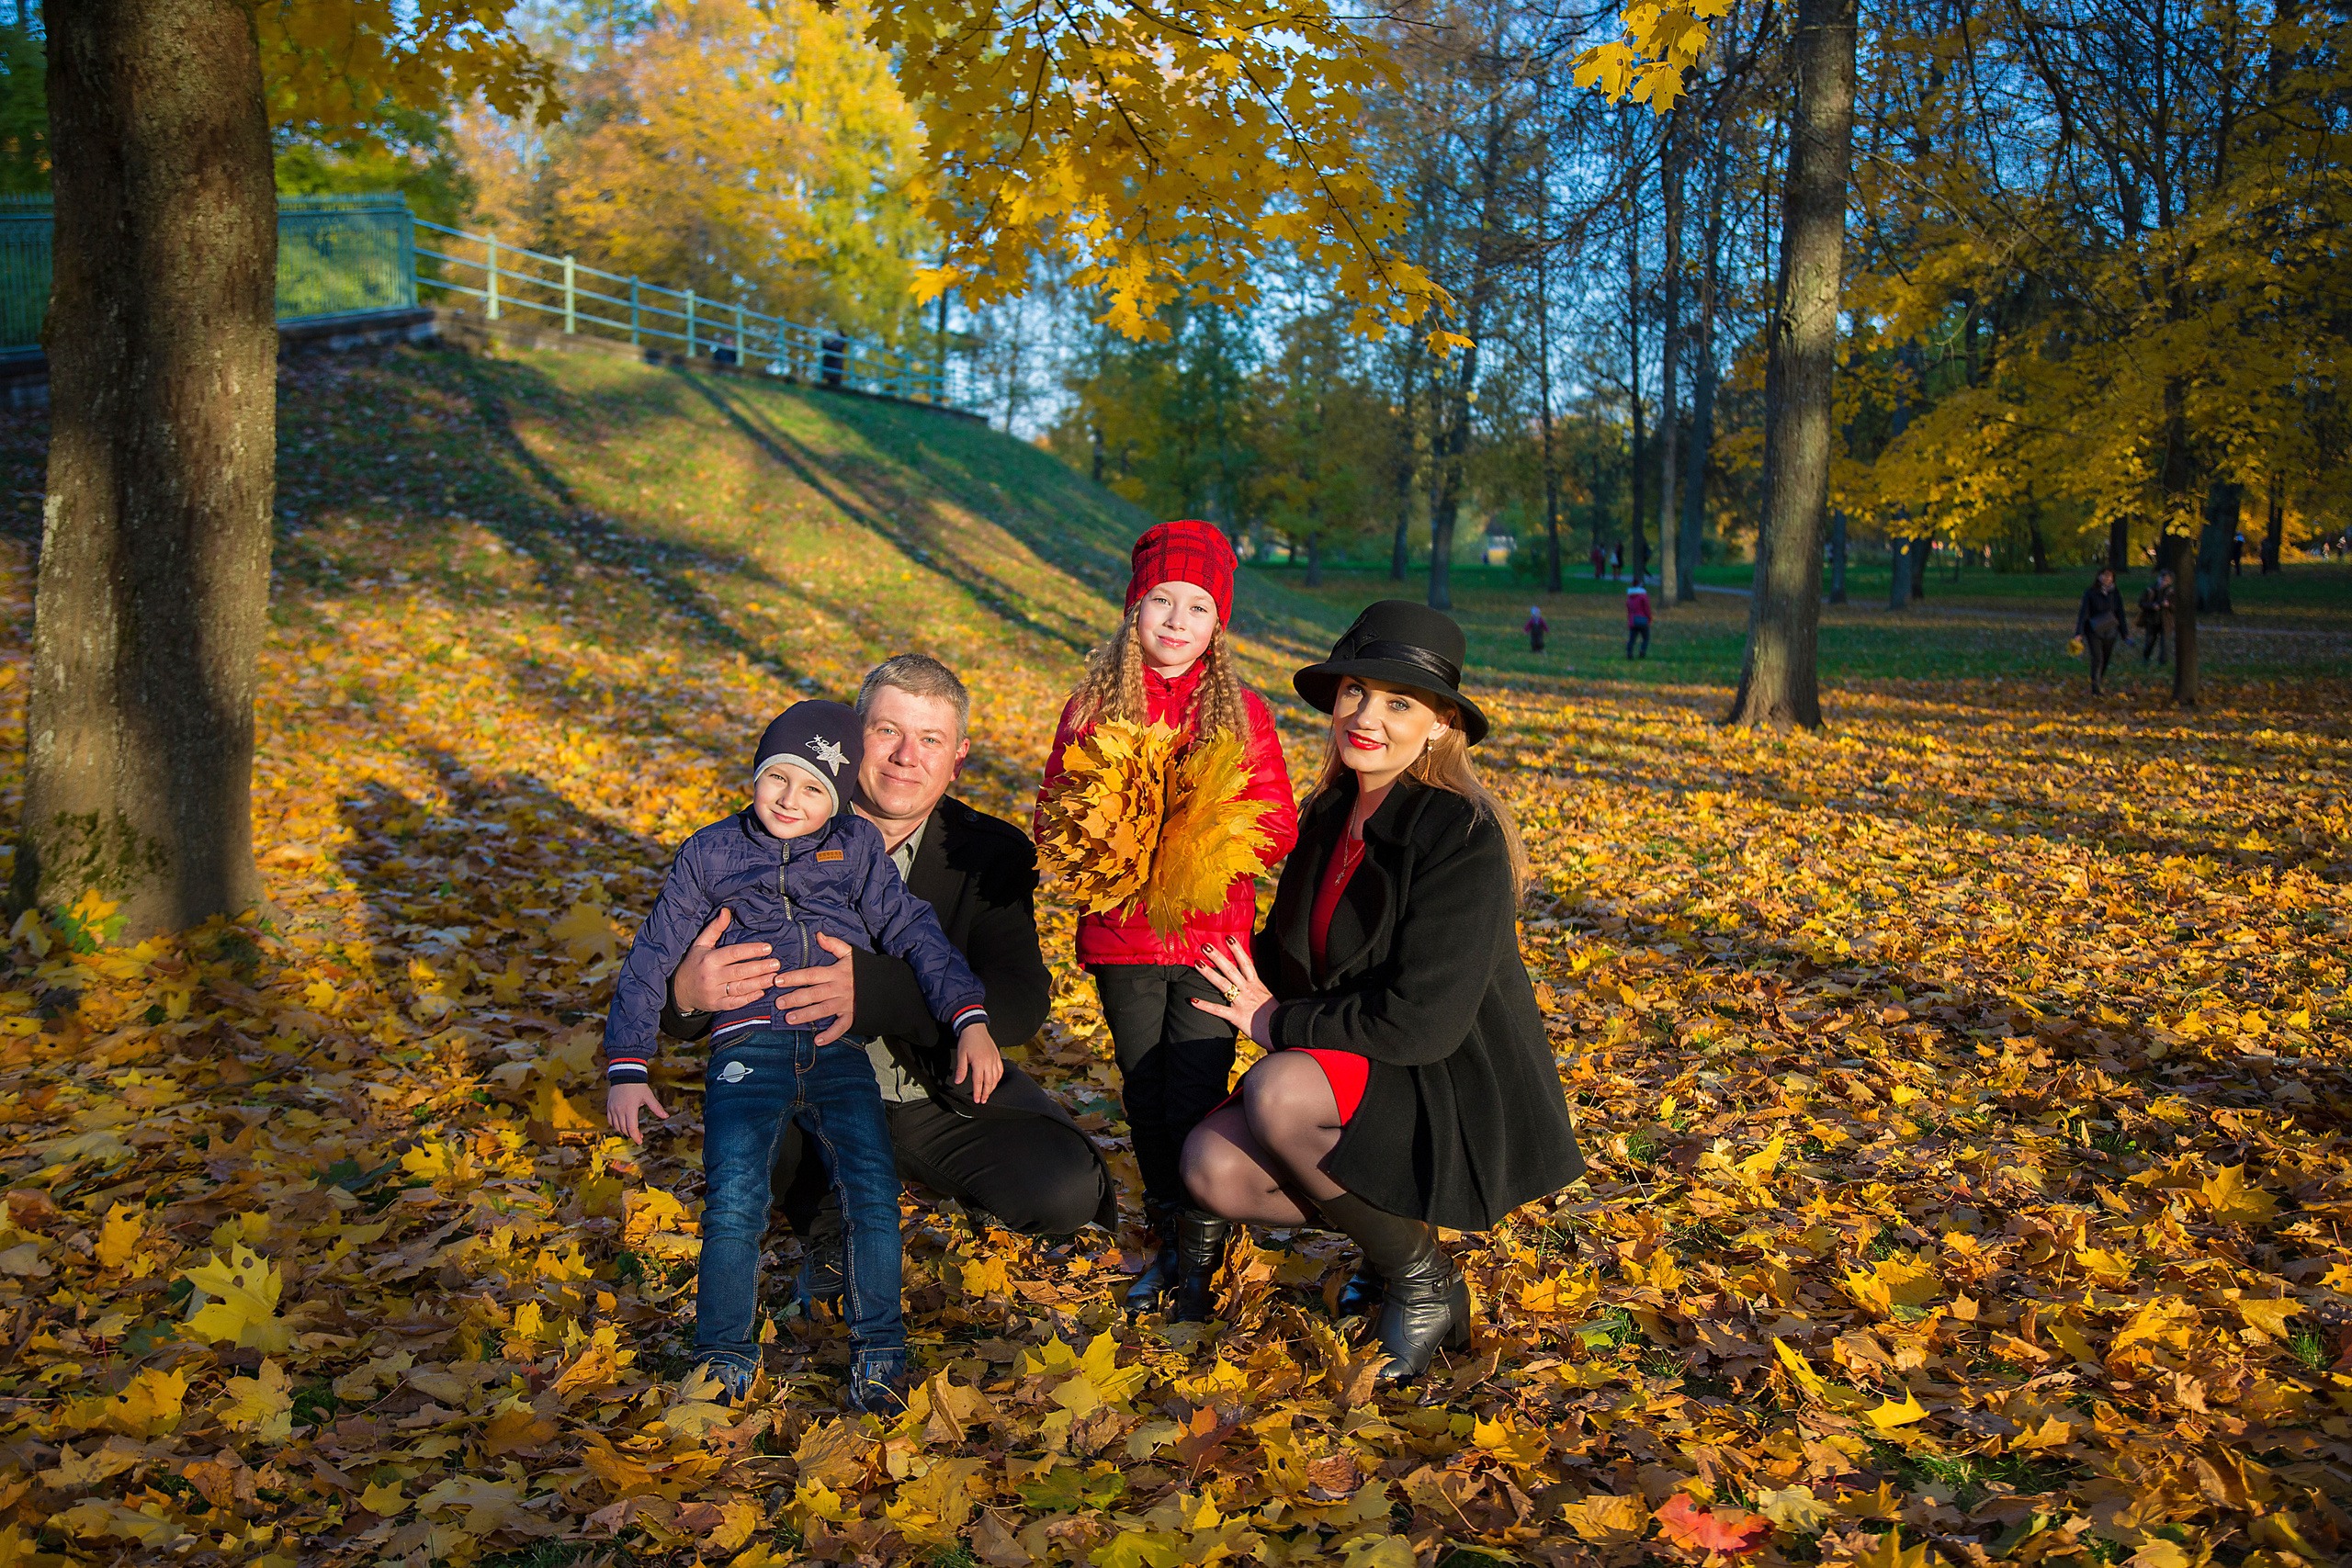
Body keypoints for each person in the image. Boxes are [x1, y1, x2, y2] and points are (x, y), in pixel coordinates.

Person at [1180, 602, 1585, 1380]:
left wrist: (1277, 1020)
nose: (1366, 717)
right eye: (1355, 693)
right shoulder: (1328, 813)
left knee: (1278, 1094)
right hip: (1356, 1057)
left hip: (1443, 1075)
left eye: (1399, 702)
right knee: (1210, 1168)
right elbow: (1295, 956)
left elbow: (1424, 1022)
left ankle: (1422, 1282)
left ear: (1440, 725)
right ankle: (1386, 1243)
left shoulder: (1462, 834)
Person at [661, 657, 1112, 1300]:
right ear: (851, 739)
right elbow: (675, 996)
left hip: (931, 1089)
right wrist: (685, 994)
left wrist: (875, 993)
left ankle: (942, 1182)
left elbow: (1019, 999)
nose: (907, 757)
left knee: (1065, 1189)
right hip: (802, 1090)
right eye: (887, 732)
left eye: (930, 740)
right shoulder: (767, 830)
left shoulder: (990, 854)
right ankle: (825, 1232)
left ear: (957, 757)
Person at [604, 700, 1004, 1415]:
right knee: (733, 1199)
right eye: (778, 779)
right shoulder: (711, 853)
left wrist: (968, 1016)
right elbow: (652, 955)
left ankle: (880, 1350)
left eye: (814, 787)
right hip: (743, 1049)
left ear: (839, 796)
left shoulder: (854, 850)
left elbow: (915, 934)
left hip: (833, 1048)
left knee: (872, 1191)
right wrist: (629, 1062)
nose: (791, 800)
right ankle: (722, 1354)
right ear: (755, 775)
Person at [1036, 520, 1298, 1321]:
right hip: (1123, 939)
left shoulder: (1241, 712)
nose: (1177, 621)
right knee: (1145, 1089)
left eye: (1196, 606)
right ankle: (1169, 1222)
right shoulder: (1093, 706)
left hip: (1211, 944)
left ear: (1219, 622)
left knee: (1195, 1085)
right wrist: (1112, 830)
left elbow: (1278, 821)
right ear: (1133, 608)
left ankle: (1204, 1245)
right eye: (1161, 601)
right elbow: (1056, 813)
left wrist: (1211, 829)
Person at [2076, 567, 2127, 694]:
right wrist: (2079, 632)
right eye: (2104, 575)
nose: (2106, 578)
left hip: (2110, 631)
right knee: (2097, 658)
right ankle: (2095, 686)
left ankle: (2098, 679)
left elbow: (2120, 613)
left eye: (2109, 576)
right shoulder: (2091, 593)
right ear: (2099, 577)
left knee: (2105, 658)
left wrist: (2124, 634)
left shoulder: (2115, 594)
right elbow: (2084, 613)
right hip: (2094, 630)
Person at [2139, 570, 2174, 665]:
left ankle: (2162, 663)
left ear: (2170, 582)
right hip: (2152, 620)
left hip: (2165, 622)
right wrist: (2152, 606)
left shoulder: (2171, 592)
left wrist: (2169, 605)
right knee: (2149, 643)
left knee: (2165, 644)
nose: (2163, 582)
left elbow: (2177, 607)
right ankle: (2145, 659)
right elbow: (2141, 603)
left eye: (2166, 580)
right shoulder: (2150, 590)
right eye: (2162, 579)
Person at [1625, 581, 1651, 659]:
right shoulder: (1643, 597)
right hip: (1642, 620)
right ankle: (1642, 651)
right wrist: (1649, 618)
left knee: (1632, 639)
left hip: (1633, 621)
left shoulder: (1630, 598)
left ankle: (1629, 653)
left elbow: (1629, 610)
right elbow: (1646, 609)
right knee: (1646, 638)